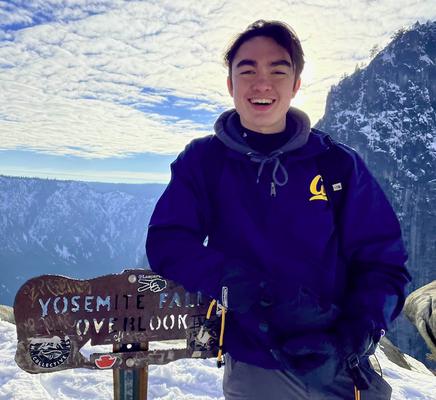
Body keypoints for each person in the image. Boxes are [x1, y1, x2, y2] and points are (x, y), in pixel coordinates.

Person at [146, 20, 411, 400]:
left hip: (342, 364)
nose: (262, 84)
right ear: (230, 84)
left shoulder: (337, 165)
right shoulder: (205, 161)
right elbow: (168, 242)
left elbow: (384, 262)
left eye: (277, 71)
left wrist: (355, 334)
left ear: (296, 84)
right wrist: (237, 284)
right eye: (247, 71)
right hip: (257, 362)